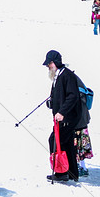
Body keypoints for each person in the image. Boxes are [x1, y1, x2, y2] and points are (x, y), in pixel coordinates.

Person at [42, 50, 81, 182]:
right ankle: (72, 173)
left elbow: (73, 96)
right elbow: (59, 95)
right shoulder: (58, 76)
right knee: (68, 143)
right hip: (61, 117)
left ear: (55, 62)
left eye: (50, 64)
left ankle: (61, 172)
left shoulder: (67, 75)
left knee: (55, 141)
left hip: (68, 118)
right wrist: (52, 103)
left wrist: (62, 112)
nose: (48, 66)